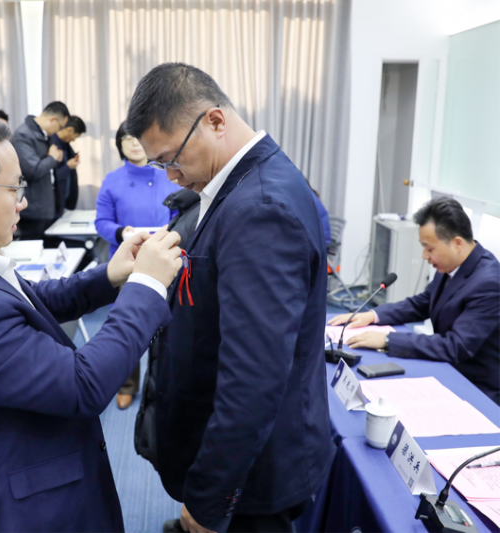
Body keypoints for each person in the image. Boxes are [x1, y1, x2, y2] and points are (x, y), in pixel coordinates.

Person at [0, 103, 182, 532]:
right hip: (26, 514)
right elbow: (83, 385)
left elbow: (32, 303)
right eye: (14, 189)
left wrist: (112, 275)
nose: (23, 202)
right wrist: (146, 286)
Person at [127, 63, 334, 533]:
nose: (172, 176)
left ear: (215, 121)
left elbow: (253, 377)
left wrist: (210, 497)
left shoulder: (259, 208)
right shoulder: (235, 184)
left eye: (172, 159)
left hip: (251, 477)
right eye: (160, 165)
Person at [330, 197, 500, 404]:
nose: (424, 256)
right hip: (447, 368)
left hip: (476, 387)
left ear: (457, 243)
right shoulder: (452, 265)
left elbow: (456, 346)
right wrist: (372, 315)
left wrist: (388, 340)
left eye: (430, 248)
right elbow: (423, 303)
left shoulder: (488, 282)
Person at [95, 120, 181, 410]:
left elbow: (180, 213)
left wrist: (170, 230)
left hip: (165, 257)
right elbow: (102, 222)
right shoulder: (112, 180)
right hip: (127, 262)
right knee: (126, 325)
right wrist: (121, 233)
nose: (133, 143)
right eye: (126, 139)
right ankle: (127, 384)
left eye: (137, 138)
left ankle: (166, 383)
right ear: (119, 145)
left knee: (169, 322)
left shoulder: (168, 174)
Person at [11, 101, 70, 239]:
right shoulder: (23, 135)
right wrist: (52, 158)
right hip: (33, 209)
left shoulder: (45, 135)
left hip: (46, 205)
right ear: (52, 120)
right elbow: (32, 170)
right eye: (60, 126)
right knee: (34, 246)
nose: (58, 131)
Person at [51, 115, 85, 214]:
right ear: (70, 130)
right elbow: (51, 177)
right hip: (54, 203)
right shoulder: (52, 145)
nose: (74, 140)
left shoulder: (66, 146)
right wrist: (68, 166)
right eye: (76, 136)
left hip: (65, 202)